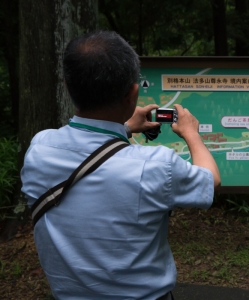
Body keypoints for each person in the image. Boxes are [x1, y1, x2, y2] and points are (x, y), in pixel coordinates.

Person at [21, 30, 220, 300]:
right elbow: (210, 180)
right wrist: (191, 134)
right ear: (132, 94)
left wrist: (124, 127)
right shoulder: (155, 165)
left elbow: (89, 152)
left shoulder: (40, 149)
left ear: (67, 86)